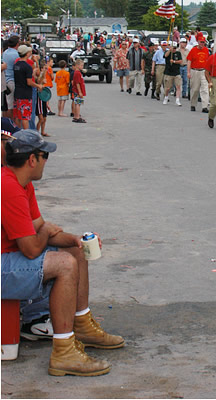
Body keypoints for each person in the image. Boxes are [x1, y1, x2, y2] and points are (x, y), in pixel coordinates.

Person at [1, 130, 124, 376]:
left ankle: (82, 325)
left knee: (75, 252)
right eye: (45, 155)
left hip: (9, 257)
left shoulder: (21, 183)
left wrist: (77, 240)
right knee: (65, 264)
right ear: (32, 160)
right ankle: (64, 352)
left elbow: (39, 229)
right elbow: (32, 247)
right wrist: (46, 233)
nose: (47, 160)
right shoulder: (8, 188)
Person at [13, 46, 44, 130]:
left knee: (17, 115)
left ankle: (18, 133)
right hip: (25, 93)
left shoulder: (16, 65)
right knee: (25, 117)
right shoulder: (27, 67)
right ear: (27, 54)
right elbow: (29, 82)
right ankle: (26, 135)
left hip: (17, 91)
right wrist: (38, 85)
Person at [187, 34, 210, 112]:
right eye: (201, 42)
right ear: (198, 42)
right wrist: (188, 72)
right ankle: (193, 104)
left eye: (203, 42)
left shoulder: (206, 50)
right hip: (195, 71)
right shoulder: (193, 50)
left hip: (203, 71)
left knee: (205, 89)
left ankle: (205, 106)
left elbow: (208, 61)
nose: (202, 44)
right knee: (195, 89)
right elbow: (189, 61)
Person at [3, 35, 20, 120]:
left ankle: (5, 121)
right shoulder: (16, 54)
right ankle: (11, 123)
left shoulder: (5, 52)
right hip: (12, 80)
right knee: (11, 105)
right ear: (17, 44)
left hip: (5, 79)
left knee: (6, 103)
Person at [163, 42, 183, 106]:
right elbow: (165, 56)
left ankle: (177, 100)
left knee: (178, 86)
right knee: (168, 88)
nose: (174, 49)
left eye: (175, 48)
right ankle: (166, 97)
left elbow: (180, 61)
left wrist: (174, 61)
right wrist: (169, 50)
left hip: (176, 72)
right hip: (169, 72)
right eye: (173, 48)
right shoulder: (168, 53)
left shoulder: (178, 53)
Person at [71, 59, 86, 124]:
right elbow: (77, 83)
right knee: (78, 103)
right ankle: (77, 116)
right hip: (77, 91)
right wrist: (80, 92)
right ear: (77, 65)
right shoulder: (77, 73)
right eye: (81, 65)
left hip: (78, 91)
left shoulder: (78, 72)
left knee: (78, 103)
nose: (82, 67)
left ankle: (76, 115)